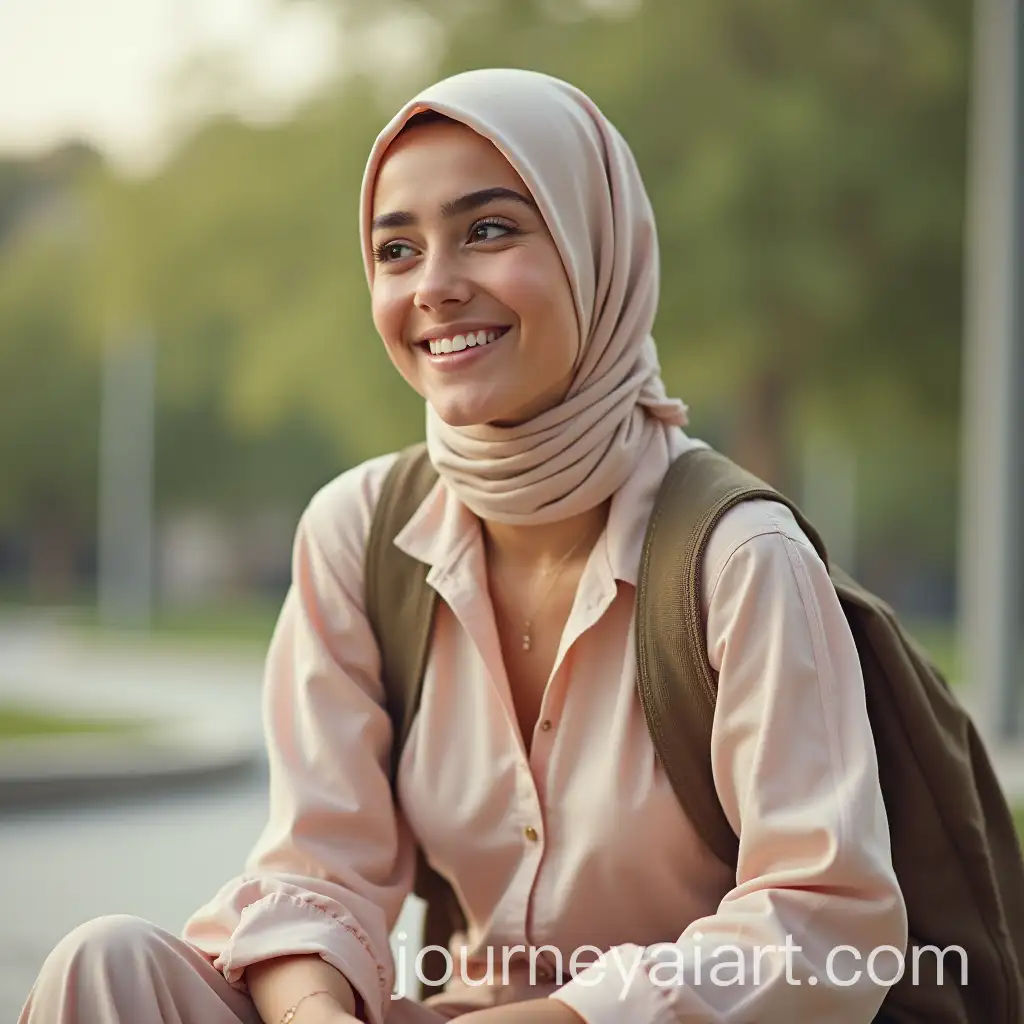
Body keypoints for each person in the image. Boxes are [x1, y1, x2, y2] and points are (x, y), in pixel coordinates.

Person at [19, 67, 907, 1024]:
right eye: (396, 250)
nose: (434, 288)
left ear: (594, 250)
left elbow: (822, 927)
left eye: (489, 230)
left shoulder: (738, 559)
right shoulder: (359, 533)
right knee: (106, 967)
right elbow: (316, 872)